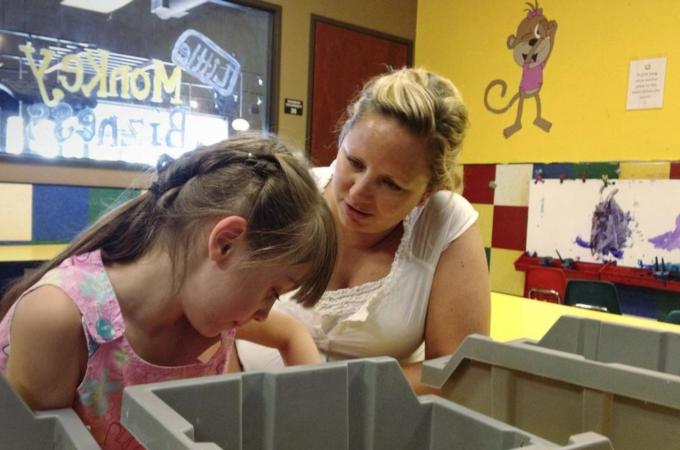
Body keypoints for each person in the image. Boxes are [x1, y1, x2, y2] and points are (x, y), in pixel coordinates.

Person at [0, 133, 336, 449]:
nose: (263, 313)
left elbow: (291, 333)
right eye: (273, 290)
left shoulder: (211, 314)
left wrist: (319, 425)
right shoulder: (58, 318)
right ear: (225, 242)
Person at [237, 67, 491, 394]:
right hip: (241, 397)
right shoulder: (285, 191)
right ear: (341, 140)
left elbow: (460, 369)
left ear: (427, 192)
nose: (359, 192)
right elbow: (212, 312)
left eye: (391, 184)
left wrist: (332, 394)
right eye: (354, 162)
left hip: (375, 417)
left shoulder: (445, 222)